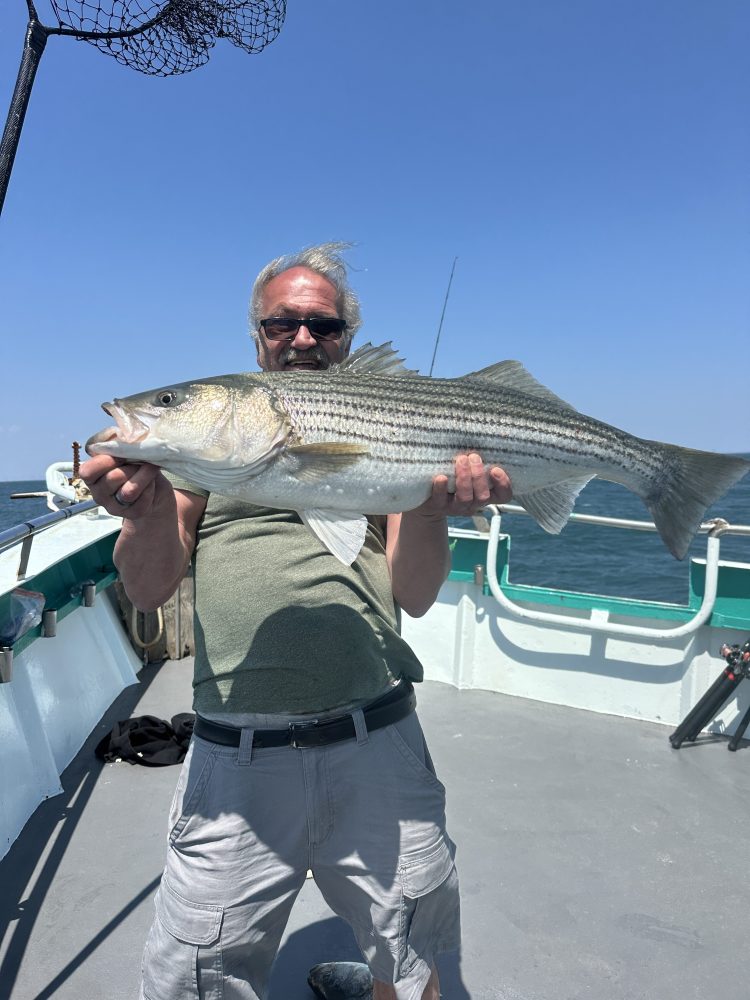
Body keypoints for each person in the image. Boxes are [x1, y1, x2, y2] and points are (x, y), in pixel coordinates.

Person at [81, 243, 512, 1000]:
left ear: (347, 337)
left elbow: (414, 595)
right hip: (234, 758)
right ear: (257, 337)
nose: (303, 338)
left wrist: (431, 507)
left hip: (378, 738)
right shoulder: (197, 459)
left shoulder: (388, 431)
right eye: (282, 323)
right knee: (193, 981)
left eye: (325, 325)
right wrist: (143, 512)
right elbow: (148, 590)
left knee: (412, 964)